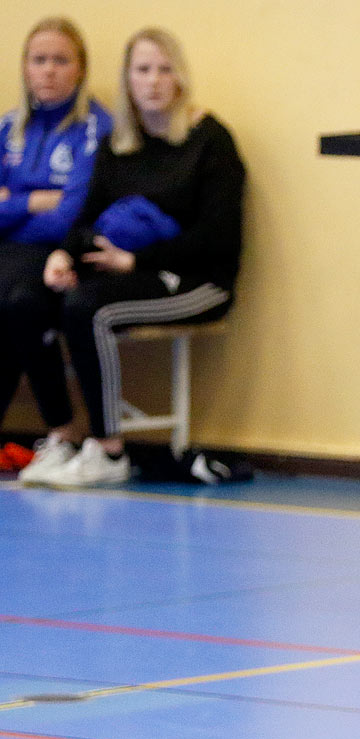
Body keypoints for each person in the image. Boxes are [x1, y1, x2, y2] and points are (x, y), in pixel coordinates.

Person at [22, 26, 243, 489]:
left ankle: (109, 450)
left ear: (180, 79)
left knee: (91, 309)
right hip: (128, 272)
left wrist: (136, 263)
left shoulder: (209, 141)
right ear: (128, 80)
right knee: (33, 299)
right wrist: (65, 255)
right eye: (143, 70)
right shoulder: (119, 145)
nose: (154, 81)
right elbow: (86, 218)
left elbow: (218, 238)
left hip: (198, 282)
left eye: (165, 70)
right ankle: (63, 436)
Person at [0, 17, 111, 481]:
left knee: (19, 302)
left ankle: (63, 430)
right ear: (25, 68)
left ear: (80, 69)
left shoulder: (93, 127)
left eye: (60, 60)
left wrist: (12, 203)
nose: (48, 71)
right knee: (8, 299)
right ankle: (61, 432)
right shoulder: (10, 127)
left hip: (62, 254)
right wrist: (36, 200)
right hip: (11, 251)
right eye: (39, 60)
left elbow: (74, 210)